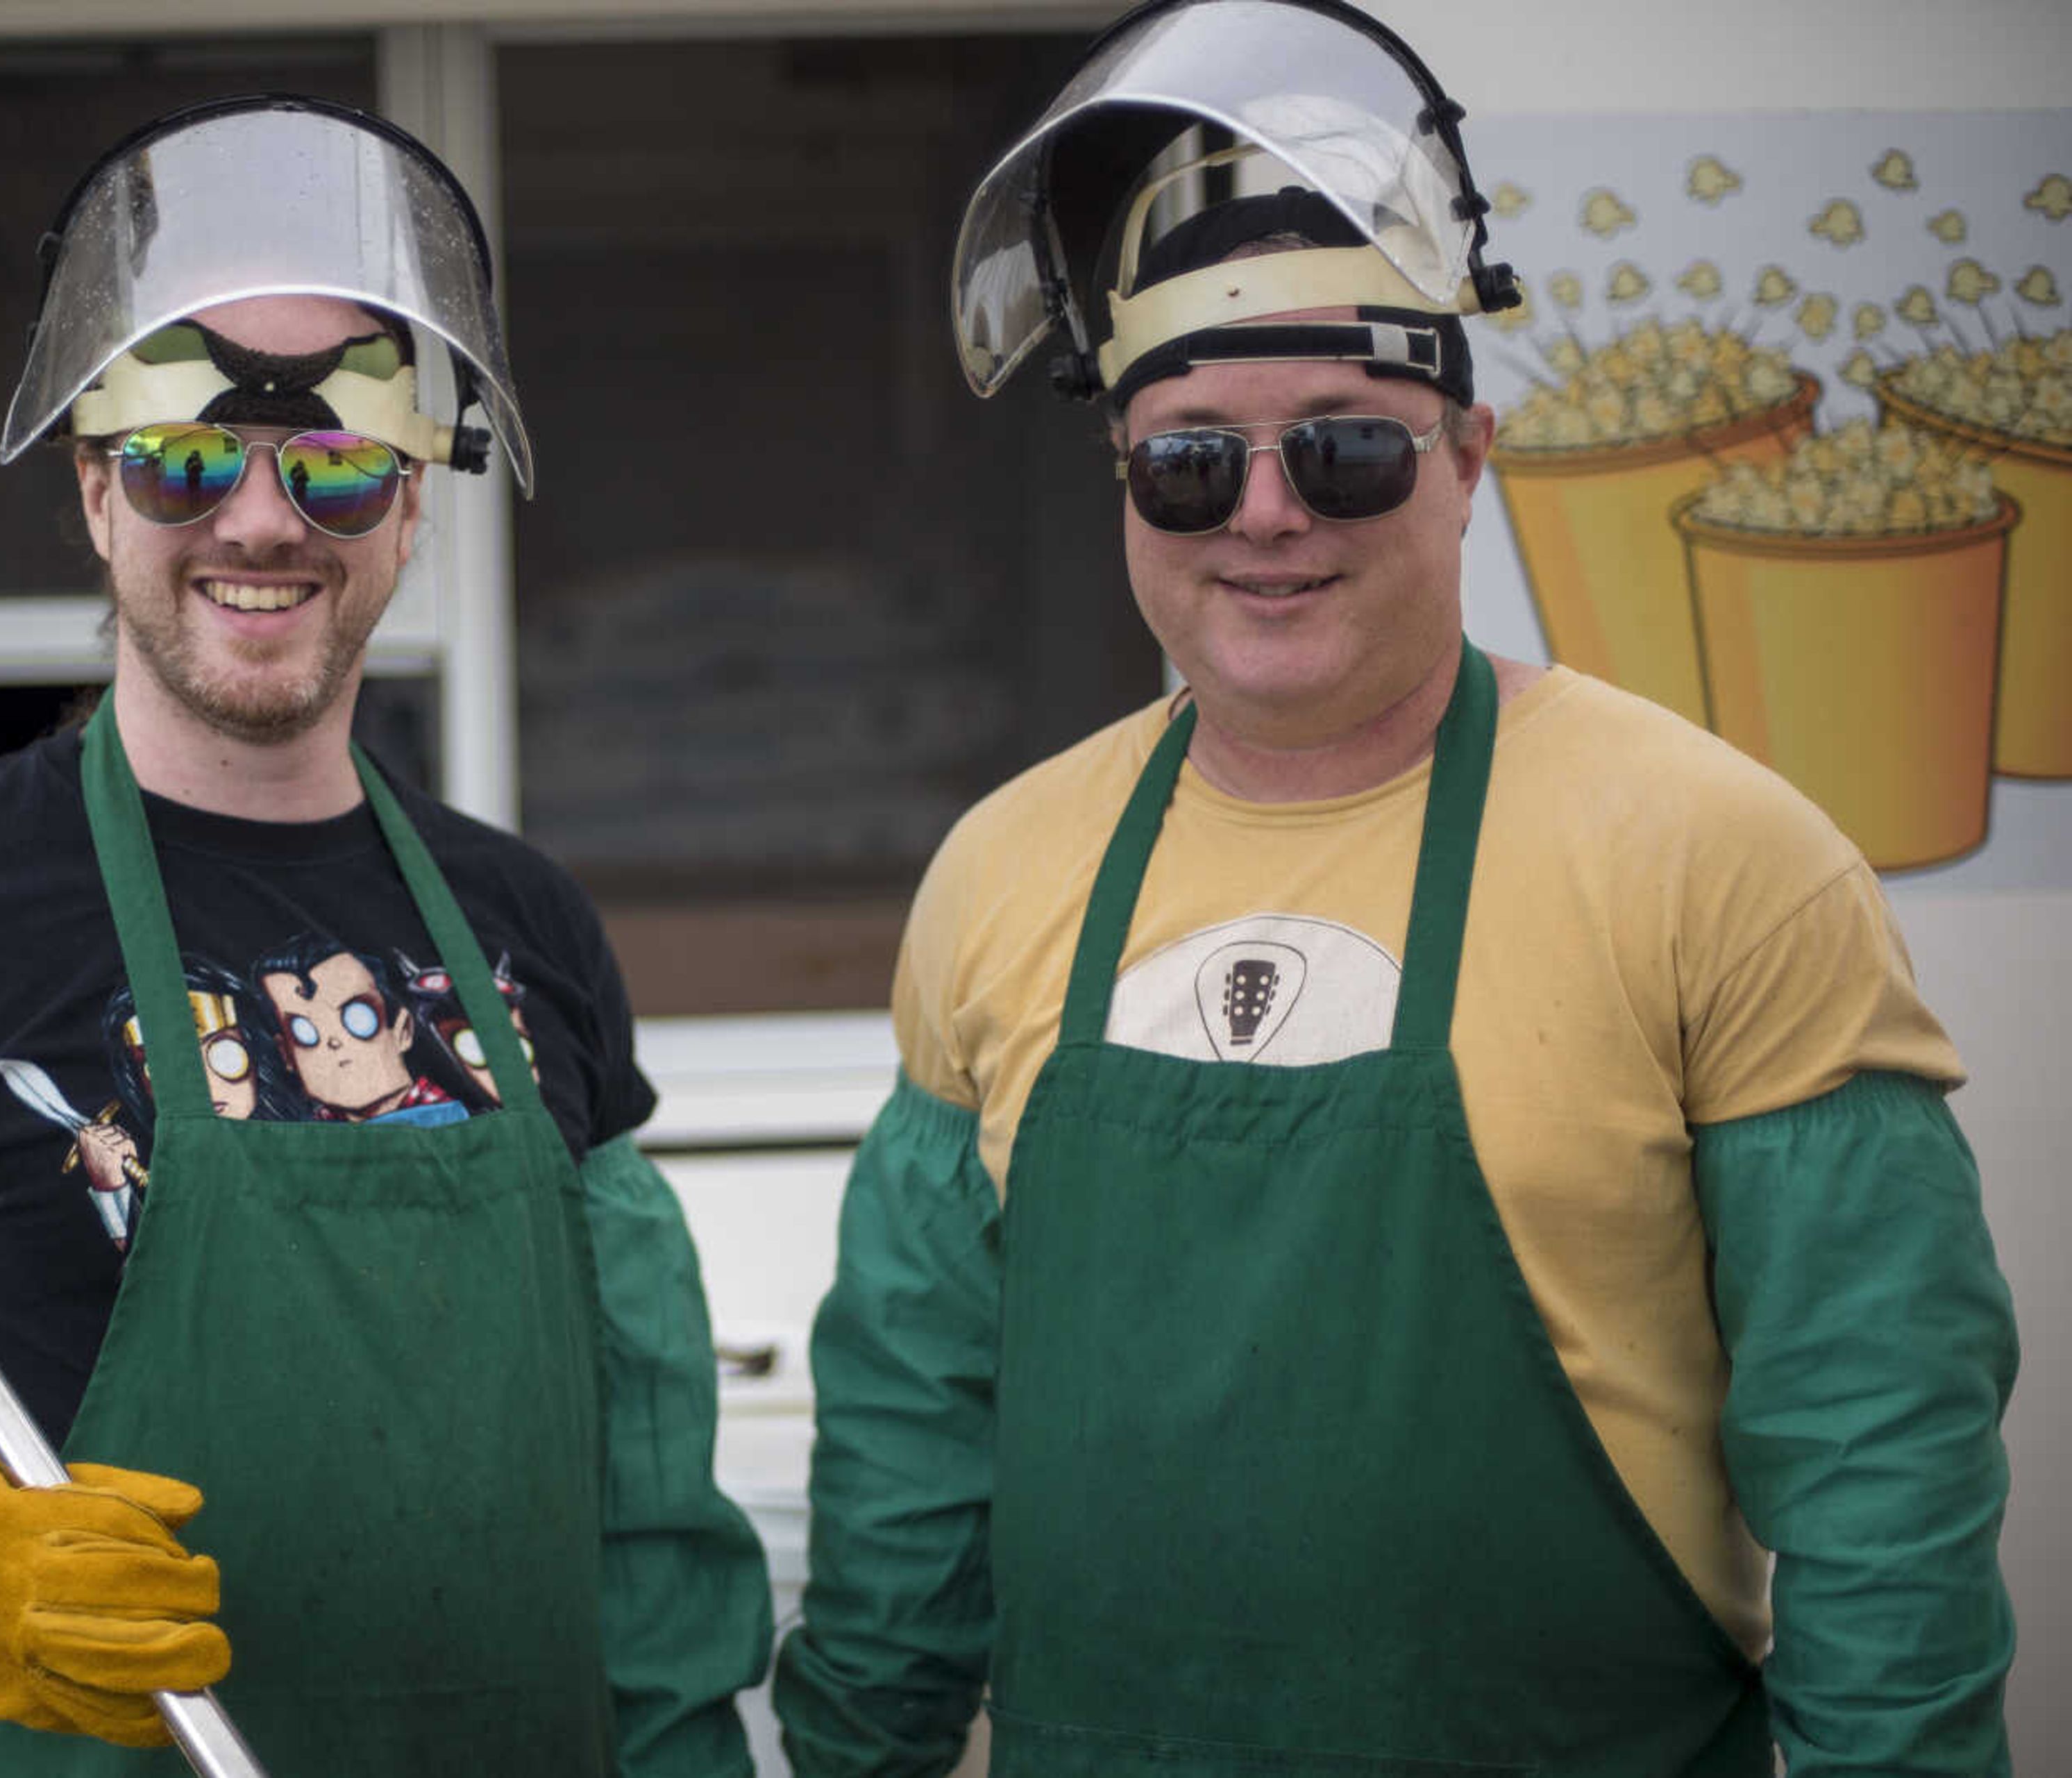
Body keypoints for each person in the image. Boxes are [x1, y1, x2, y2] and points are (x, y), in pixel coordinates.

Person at [771, 4, 2019, 1774]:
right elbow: (911, 1441)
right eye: (1191, 456)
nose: (1264, 514)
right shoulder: (1003, 869)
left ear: (1468, 457)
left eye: (1345, 446)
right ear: (1125, 483)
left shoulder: (1724, 858)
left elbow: (1881, 1460)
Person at [0, 94, 770, 1777]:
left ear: (412, 509)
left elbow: (645, 1472)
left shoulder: (530, 931)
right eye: (181, 460)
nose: (258, 519)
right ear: (94, 492)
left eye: (339, 468)